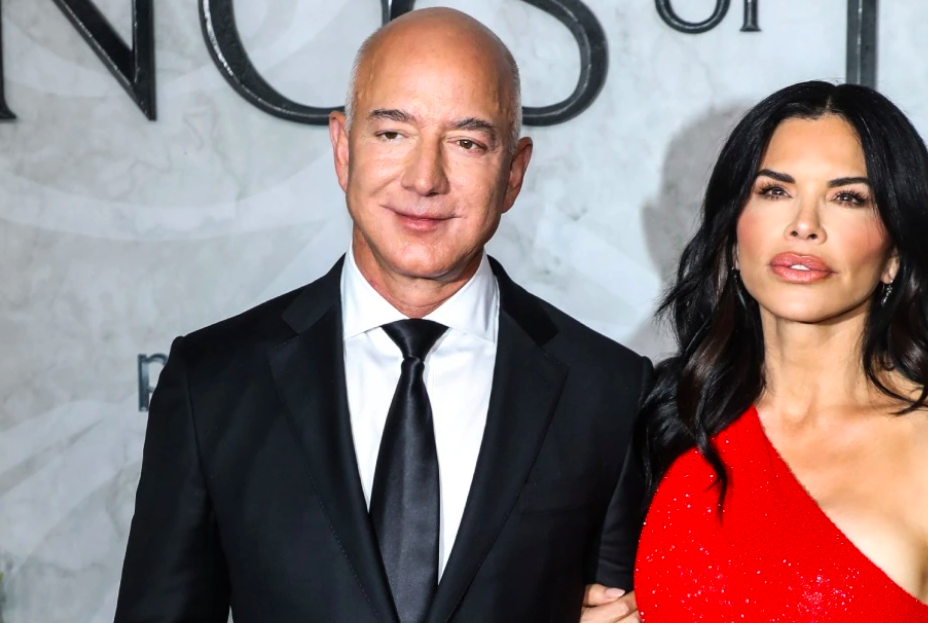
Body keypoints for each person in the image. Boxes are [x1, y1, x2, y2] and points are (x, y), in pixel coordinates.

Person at [113, 8, 651, 623]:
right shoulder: (213, 381)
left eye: (467, 143)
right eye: (393, 134)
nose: (425, 179)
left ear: (514, 173)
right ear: (343, 149)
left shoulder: (609, 391)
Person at [634, 81, 928, 622]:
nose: (804, 226)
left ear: (895, 254)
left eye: (848, 198)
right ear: (733, 237)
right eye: (774, 191)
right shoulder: (672, 419)